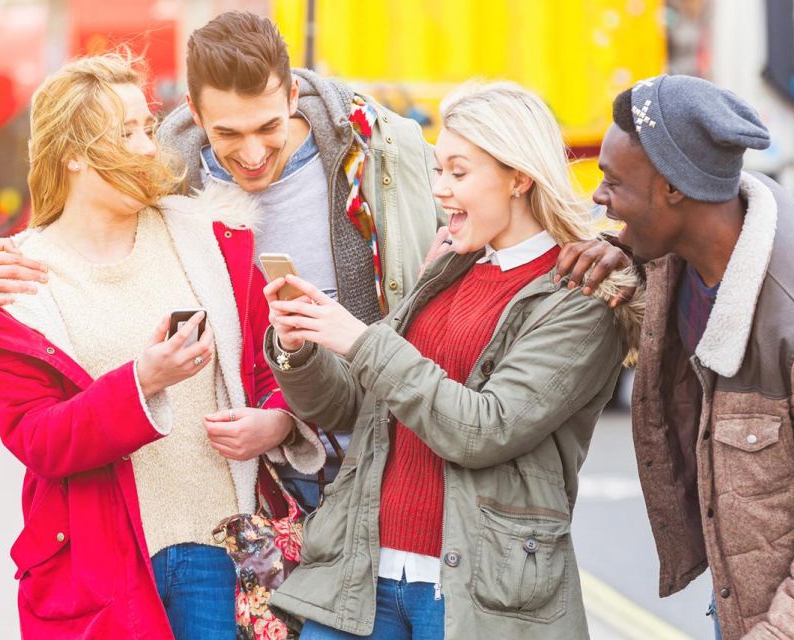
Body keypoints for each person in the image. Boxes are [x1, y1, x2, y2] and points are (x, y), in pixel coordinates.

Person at [0, 12, 632, 513]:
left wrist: (592, 243)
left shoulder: (378, 153)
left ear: (293, 95)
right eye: (227, 134)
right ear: (195, 114)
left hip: (371, 458)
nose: (249, 154)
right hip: (225, 481)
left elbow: (493, 204)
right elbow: (66, 232)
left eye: (269, 127)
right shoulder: (162, 174)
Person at [0, 53, 321, 639]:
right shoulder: (16, 280)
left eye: (148, 128)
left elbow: (266, 368)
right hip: (97, 568)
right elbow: (40, 439)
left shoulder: (211, 239)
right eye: (126, 133)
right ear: (70, 152)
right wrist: (141, 383)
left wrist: (275, 421)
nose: (148, 147)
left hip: (219, 554)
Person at [260, 82, 643, 640]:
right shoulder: (449, 267)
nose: (439, 189)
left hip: (473, 597)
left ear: (519, 177)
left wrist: (364, 341)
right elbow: (350, 406)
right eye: (438, 170)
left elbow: (484, 429)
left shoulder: (579, 298)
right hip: (363, 577)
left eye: (458, 173)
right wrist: (301, 346)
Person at [590, 74, 794, 640]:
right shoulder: (703, 231)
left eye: (613, 182)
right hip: (744, 602)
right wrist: (622, 249)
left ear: (675, 189)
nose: (598, 197)